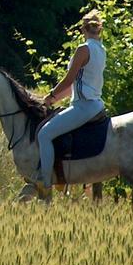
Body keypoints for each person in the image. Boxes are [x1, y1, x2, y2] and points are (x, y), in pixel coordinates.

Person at [35, 10, 106, 192]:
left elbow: (68, 79)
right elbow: (75, 85)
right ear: (99, 30)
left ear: (83, 29)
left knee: (44, 134)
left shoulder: (83, 49)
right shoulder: (101, 50)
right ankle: (60, 177)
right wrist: (55, 99)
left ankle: (45, 182)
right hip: (96, 104)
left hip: (84, 106)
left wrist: (50, 95)